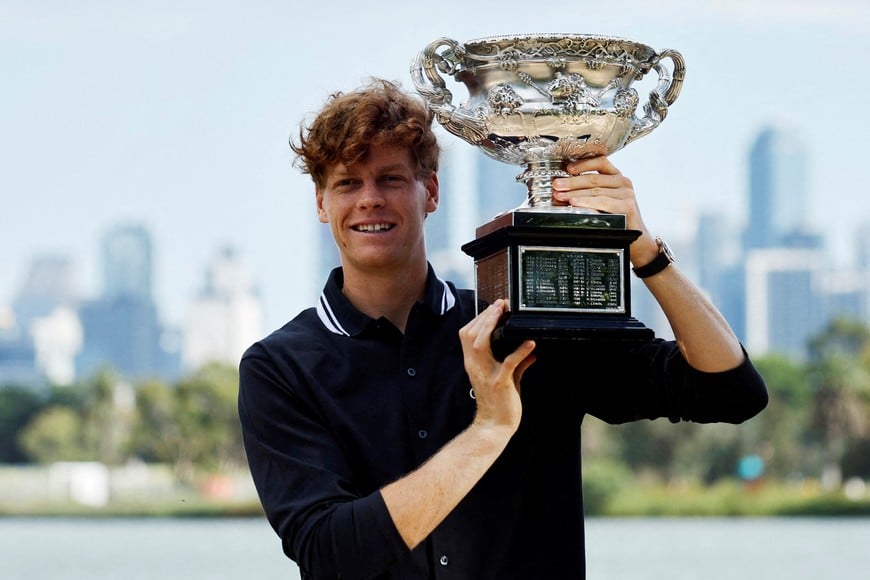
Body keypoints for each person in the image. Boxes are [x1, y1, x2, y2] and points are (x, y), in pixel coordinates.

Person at [238, 78, 768, 579]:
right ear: (321, 203)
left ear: (431, 192)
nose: (369, 199)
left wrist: (644, 248)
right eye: (347, 183)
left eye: (391, 179)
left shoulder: (525, 327)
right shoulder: (281, 368)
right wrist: (489, 428)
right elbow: (332, 554)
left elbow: (730, 390)